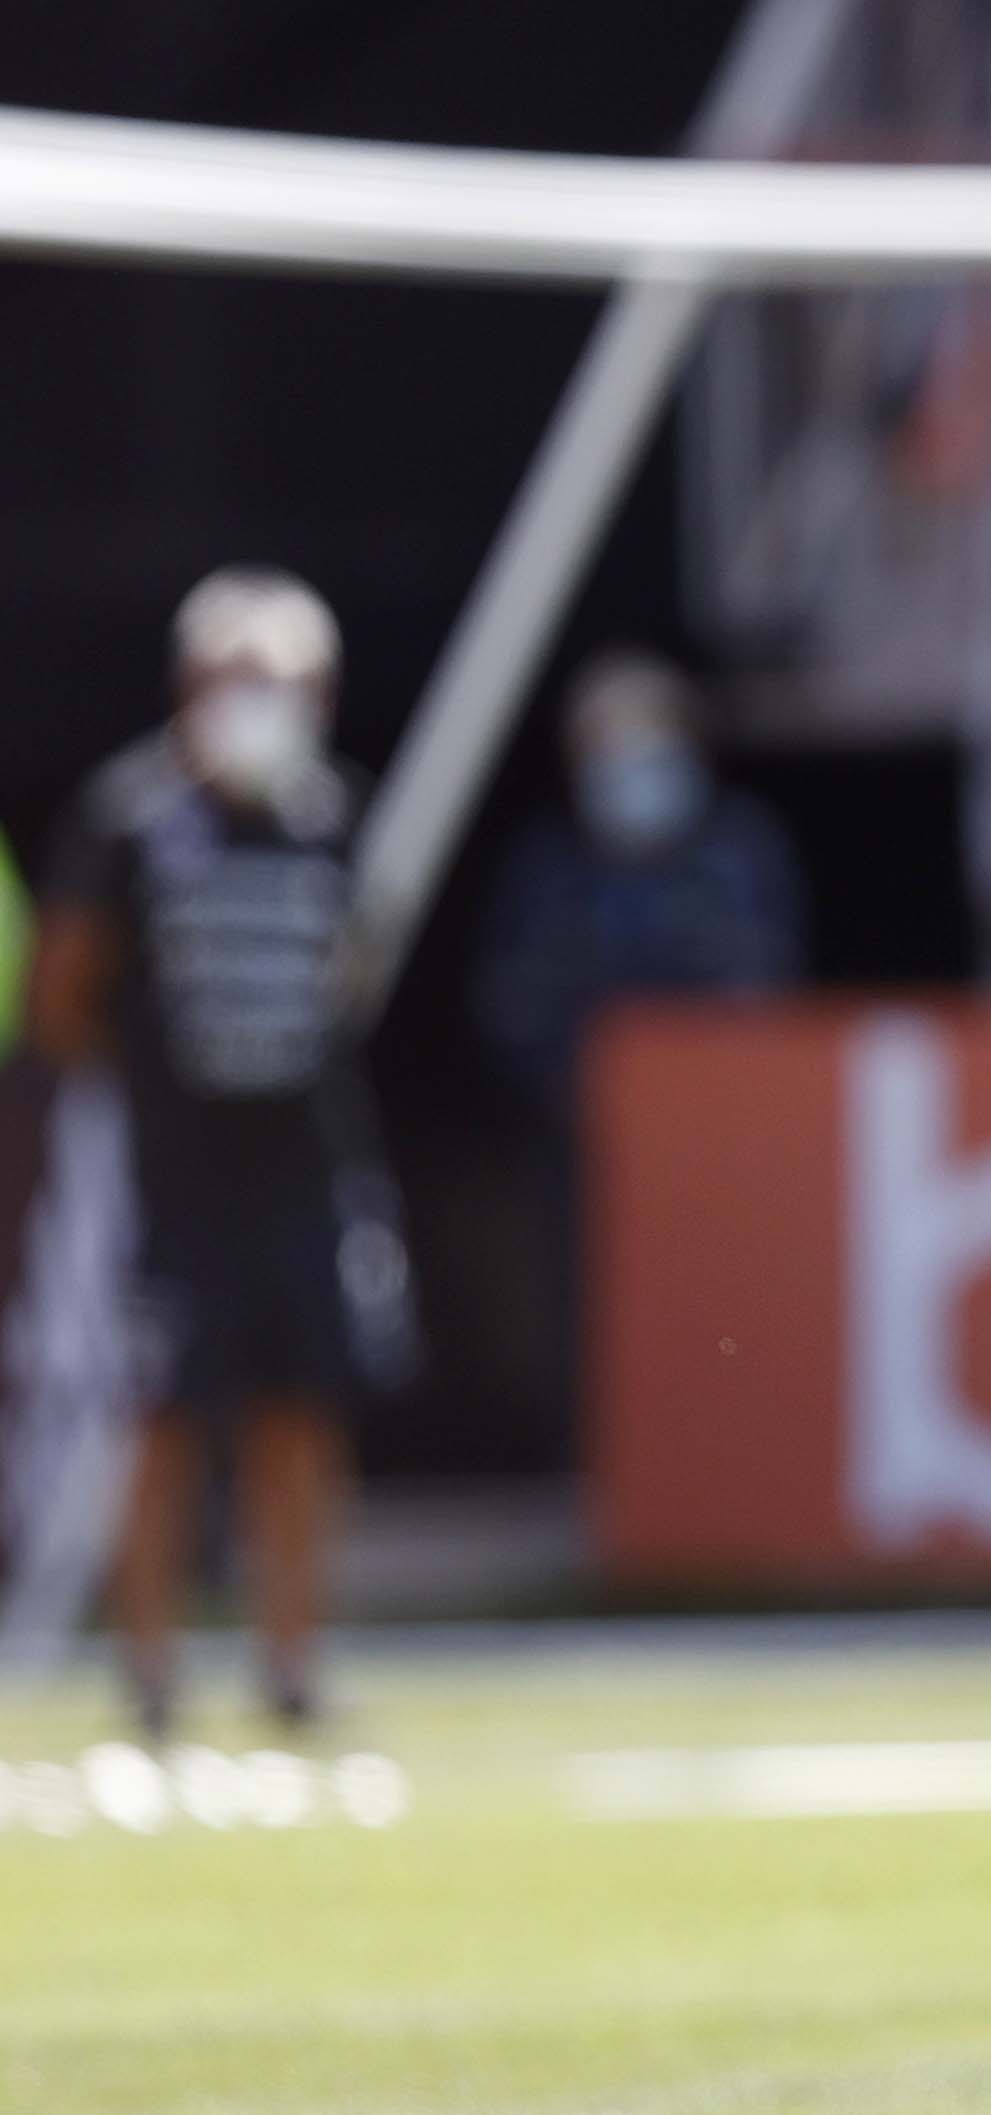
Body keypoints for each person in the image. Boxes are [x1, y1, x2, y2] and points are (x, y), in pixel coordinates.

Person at [30, 567, 412, 1738]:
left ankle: (292, 1664)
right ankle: (148, 1669)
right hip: (173, 1179)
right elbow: (66, 990)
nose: (267, 701)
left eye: (290, 682)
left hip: (303, 1170)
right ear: (193, 685)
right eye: (246, 678)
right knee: (165, 1421)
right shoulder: (130, 816)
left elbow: (352, 977)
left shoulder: (330, 814)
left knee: (302, 1419)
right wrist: (145, 1090)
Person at [474, 650, 804, 1125]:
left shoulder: (742, 854)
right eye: (608, 753)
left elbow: (768, 987)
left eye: (653, 749)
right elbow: (512, 1007)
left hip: (724, 1112)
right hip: (584, 1123)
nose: (633, 773)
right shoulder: (544, 867)